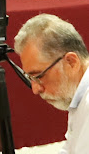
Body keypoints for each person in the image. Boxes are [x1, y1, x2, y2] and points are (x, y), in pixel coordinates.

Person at [14, 14, 89, 154]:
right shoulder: (78, 94)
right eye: (30, 78)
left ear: (71, 62)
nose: (35, 89)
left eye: (39, 76)